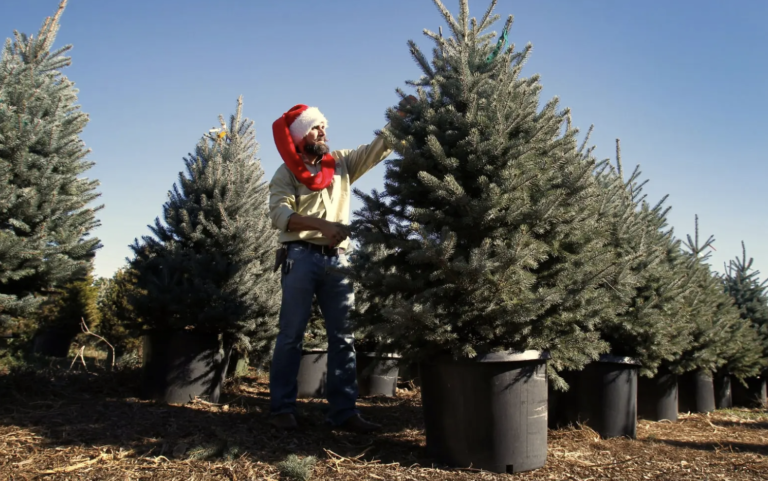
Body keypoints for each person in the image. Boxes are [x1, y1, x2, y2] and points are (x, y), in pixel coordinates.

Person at [267, 99, 412, 432]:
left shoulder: (342, 163)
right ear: (301, 134)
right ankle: (282, 409)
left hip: (338, 262)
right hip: (299, 258)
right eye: (317, 127)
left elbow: (377, 148)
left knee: (343, 338)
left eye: (324, 127)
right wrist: (322, 226)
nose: (323, 131)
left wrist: (400, 116)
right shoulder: (286, 173)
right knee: (291, 336)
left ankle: (344, 413)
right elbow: (279, 214)